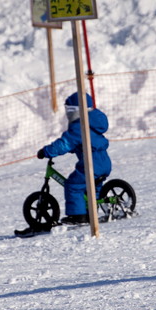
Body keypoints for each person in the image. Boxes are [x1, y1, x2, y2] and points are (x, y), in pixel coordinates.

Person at [37, 92, 112, 225]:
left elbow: (64, 144)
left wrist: (46, 151)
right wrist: (75, 148)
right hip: (104, 163)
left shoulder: (79, 127)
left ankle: (78, 216)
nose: (68, 114)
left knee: (73, 185)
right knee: (92, 188)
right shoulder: (92, 125)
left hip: (92, 164)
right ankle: (90, 212)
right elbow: (83, 142)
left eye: (69, 110)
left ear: (77, 111)